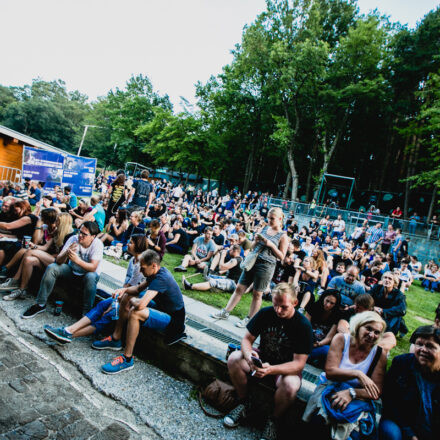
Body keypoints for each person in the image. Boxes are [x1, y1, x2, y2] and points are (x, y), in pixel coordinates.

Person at [223, 283, 313, 439]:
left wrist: (271, 370)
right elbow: (246, 340)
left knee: (291, 385)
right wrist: (248, 356)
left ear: (294, 303)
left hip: (286, 367)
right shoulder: (266, 313)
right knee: (234, 358)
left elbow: (299, 364)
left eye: (283, 307)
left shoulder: (303, 325)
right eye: (275, 305)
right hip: (262, 357)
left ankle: (274, 420)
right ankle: (244, 403)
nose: (278, 310)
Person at [93, 250, 186, 373]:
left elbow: (141, 305)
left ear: (153, 265)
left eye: (142, 268)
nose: (140, 271)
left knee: (135, 312)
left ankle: (127, 359)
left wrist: (133, 302)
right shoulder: (154, 273)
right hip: (162, 308)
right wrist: (123, 290)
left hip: (174, 321)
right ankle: (116, 339)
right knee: (127, 295)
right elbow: (137, 288)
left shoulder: (162, 278)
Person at [43, 234, 148, 344]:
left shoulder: (141, 265)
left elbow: (132, 289)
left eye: (131, 242)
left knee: (106, 316)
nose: (127, 244)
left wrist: (113, 303)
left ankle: (69, 333)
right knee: (101, 306)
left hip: (133, 299)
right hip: (124, 295)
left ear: (138, 246)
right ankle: (68, 331)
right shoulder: (132, 260)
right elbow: (126, 286)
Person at [303, 311, 387, 440]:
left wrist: (351, 393)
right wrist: (357, 374)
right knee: (319, 421)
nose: (371, 335)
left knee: (352, 433)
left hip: (357, 397)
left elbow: (375, 391)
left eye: (377, 332)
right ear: (358, 326)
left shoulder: (379, 354)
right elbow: (330, 372)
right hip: (331, 386)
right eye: (368, 328)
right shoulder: (342, 339)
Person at [211, 207, 289, 328]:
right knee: (239, 288)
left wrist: (271, 245)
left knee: (257, 294)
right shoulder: (265, 228)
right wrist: (256, 240)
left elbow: (282, 256)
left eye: (272, 218)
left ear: (280, 219)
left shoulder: (283, 236)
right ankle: (225, 312)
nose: (269, 220)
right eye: (268, 218)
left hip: (266, 266)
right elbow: (252, 247)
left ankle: (250, 319)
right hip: (252, 262)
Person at [21, 221, 103, 319]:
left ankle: (86, 315)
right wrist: (66, 253)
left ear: (93, 236)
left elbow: (93, 267)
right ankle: (40, 304)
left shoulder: (97, 244)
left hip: (87, 276)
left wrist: (77, 260)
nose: (80, 235)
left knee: (91, 276)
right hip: (72, 271)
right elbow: (59, 261)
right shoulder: (74, 239)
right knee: (52, 267)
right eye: (79, 232)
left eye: (84, 234)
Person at [379, 325, 440, 440]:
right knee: (391, 434)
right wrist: (410, 434)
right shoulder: (402, 364)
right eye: (419, 344)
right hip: (400, 421)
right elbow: (389, 399)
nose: (423, 349)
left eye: (430, 346)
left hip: (431, 430)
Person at [1, 212, 74, 301]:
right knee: (29, 259)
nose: (55, 222)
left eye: (57, 220)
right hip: (50, 258)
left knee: (30, 252)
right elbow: (45, 247)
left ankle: (15, 280)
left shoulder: (70, 236)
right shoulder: (56, 231)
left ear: (63, 223)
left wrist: (40, 254)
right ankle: (22, 290)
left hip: (61, 264)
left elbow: (62, 256)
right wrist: (34, 246)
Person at [305, 289, 341, 368]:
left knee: (327, 350)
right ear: (323, 298)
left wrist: (318, 344)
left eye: (332, 303)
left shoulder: (337, 315)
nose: (328, 305)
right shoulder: (313, 307)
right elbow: (305, 327)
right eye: (327, 301)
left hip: (320, 345)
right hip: (306, 341)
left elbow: (329, 337)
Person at [369, 271, 407, 336]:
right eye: (385, 278)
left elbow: (402, 310)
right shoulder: (376, 288)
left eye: (390, 279)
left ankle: (401, 327)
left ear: (394, 283)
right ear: (382, 279)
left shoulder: (399, 294)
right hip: (375, 312)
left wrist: (383, 311)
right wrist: (373, 307)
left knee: (385, 332)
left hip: (389, 315)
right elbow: (366, 298)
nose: (387, 280)